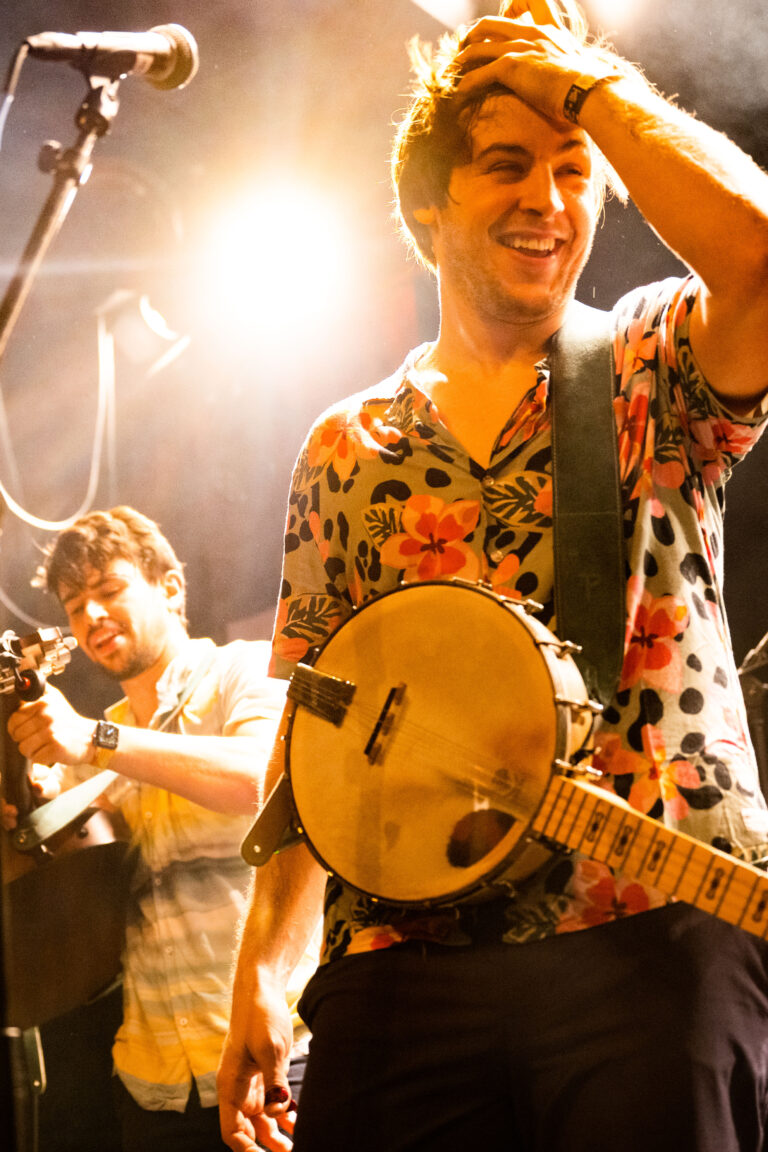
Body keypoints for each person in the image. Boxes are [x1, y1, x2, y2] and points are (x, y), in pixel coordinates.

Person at [217, 2, 768, 1149]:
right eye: (507, 165)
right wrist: (265, 966)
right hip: (403, 956)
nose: (549, 201)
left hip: (649, 929)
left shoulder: (650, 364)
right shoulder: (345, 446)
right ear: (427, 206)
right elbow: (316, 727)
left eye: (573, 171)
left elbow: (762, 255)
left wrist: (587, 87)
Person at [4, 506, 316, 1152]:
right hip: (151, 1088)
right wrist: (24, 808)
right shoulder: (101, 750)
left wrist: (94, 738)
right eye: (74, 604)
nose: (90, 616)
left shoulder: (244, 671)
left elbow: (262, 779)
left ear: (170, 589)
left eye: (109, 590)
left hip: (272, 1058)